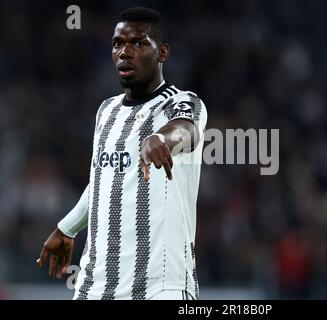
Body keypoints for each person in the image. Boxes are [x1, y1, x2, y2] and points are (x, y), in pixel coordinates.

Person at [36, 7, 207, 300]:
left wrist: (160, 138)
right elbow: (103, 180)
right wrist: (67, 228)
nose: (125, 52)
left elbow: (186, 131)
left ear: (162, 52)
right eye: (118, 43)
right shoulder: (106, 111)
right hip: (95, 286)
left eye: (139, 43)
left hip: (160, 286)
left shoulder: (181, 102)